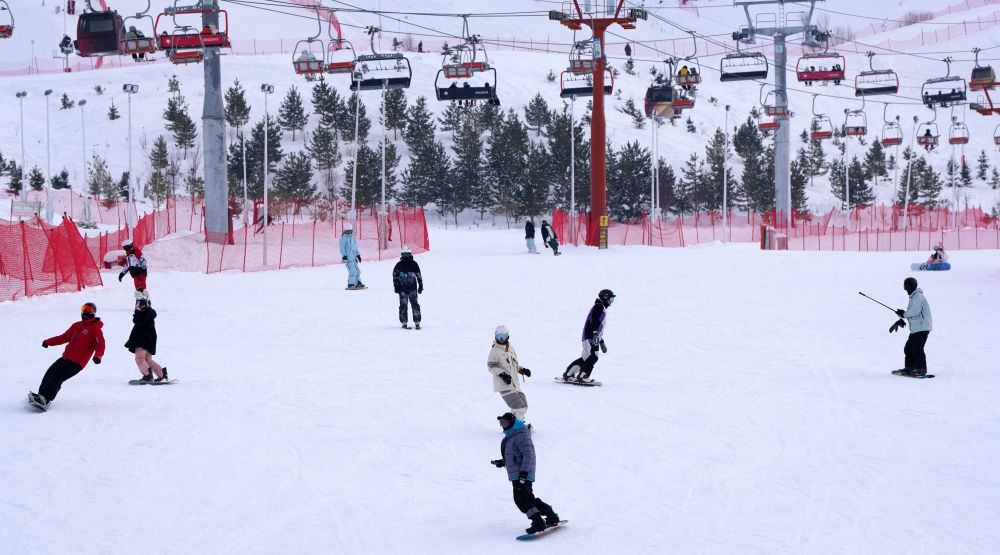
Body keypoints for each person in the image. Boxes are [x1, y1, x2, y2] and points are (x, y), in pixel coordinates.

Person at [490, 412, 560, 534]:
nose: (502, 426)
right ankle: (551, 515)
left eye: (504, 423)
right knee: (528, 498)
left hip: (522, 473)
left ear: (511, 423)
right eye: (500, 423)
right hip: (519, 472)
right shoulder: (512, 435)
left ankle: (538, 522)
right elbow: (515, 456)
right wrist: (502, 462)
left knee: (520, 499)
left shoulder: (520, 435)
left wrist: (523, 473)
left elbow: (528, 455)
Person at [29, 302, 105, 410]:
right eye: (84, 308)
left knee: (57, 376)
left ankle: (46, 399)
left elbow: (100, 345)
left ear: (94, 312)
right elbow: (64, 337)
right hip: (66, 357)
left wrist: (98, 356)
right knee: (50, 372)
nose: (86, 311)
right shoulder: (76, 325)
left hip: (77, 362)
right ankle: (41, 395)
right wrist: (48, 342)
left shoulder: (95, 330)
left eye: (89, 309)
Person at [563, 289, 615, 383]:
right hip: (591, 336)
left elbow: (597, 325)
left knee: (586, 357)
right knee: (594, 356)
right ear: (605, 298)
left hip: (590, 336)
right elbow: (594, 322)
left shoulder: (599, 306)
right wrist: (595, 335)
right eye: (610, 299)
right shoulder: (599, 306)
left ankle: (569, 374)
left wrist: (601, 341)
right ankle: (583, 375)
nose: (611, 302)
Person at [488, 326, 532, 422]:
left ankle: (512, 424)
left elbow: (514, 365)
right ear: (495, 336)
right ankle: (518, 428)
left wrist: (523, 370)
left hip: (515, 385)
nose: (501, 339)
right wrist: (502, 375)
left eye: (503, 336)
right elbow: (491, 366)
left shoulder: (510, 349)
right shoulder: (495, 350)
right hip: (504, 385)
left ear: (507, 335)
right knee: (518, 406)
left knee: (524, 405)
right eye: (499, 336)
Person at [890, 277, 932, 377]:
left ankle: (921, 369)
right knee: (908, 348)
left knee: (917, 348)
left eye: (907, 288)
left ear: (911, 286)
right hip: (917, 328)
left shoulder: (918, 296)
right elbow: (914, 313)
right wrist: (902, 318)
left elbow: (914, 311)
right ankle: (910, 367)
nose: (906, 290)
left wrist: (904, 314)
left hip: (922, 327)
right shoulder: (914, 297)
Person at [125, 293, 168, 384]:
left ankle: (147, 375)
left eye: (142, 303)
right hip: (147, 341)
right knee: (148, 360)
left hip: (143, 341)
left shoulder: (146, 314)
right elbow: (137, 328)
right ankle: (162, 374)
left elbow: (140, 324)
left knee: (139, 358)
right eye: (137, 303)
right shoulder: (145, 314)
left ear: (147, 303)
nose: (139, 305)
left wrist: (137, 313)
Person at [393, 246, 423, 329]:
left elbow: (418, 275)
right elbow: (395, 276)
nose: (405, 256)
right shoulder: (403, 265)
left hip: (409, 288)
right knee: (405, 305)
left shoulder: (411, 264)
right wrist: (396, 286)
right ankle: (405, 322)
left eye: (406, 254)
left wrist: (420, 285)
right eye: (404, 254)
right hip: (405, 289)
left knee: (412, 304)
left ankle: (414, 322)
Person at [339, 222, 364, 289]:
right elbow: (342, 249)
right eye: (347, 232)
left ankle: (357, 282)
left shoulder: (353, 238)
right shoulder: (343, 239)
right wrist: (344, 256)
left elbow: (355, 248)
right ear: (344, 231)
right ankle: (351, 283)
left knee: (358, 270)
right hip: (348, 258)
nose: (349, 233)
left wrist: (358, 255)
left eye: (350, 231)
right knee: (352, 271)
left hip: (353, 257)